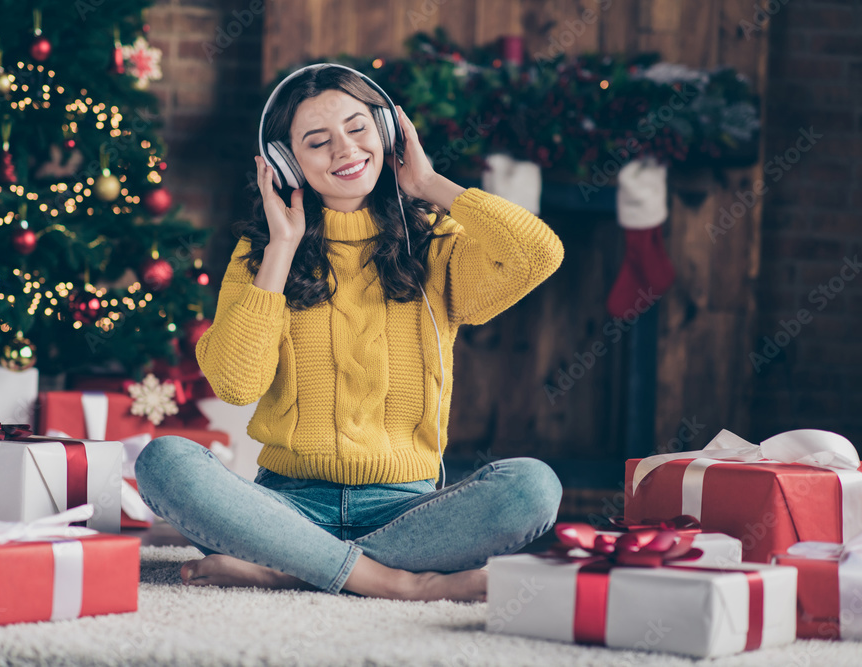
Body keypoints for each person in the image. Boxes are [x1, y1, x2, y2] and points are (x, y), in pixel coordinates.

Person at [135, 64, 565, 603]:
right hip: (285, 505)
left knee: (533, 487)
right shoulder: (264, 253)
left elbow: (539, 253)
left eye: (358, 128)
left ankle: (293, 567)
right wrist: (280, 250)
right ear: (288, 164)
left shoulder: (434, 241)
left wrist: (430, 184)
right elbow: (235, 384)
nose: (344, 150)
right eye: (318, 142)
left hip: (409, 509)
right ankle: (397, 582)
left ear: (388, 131)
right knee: (164, 461)